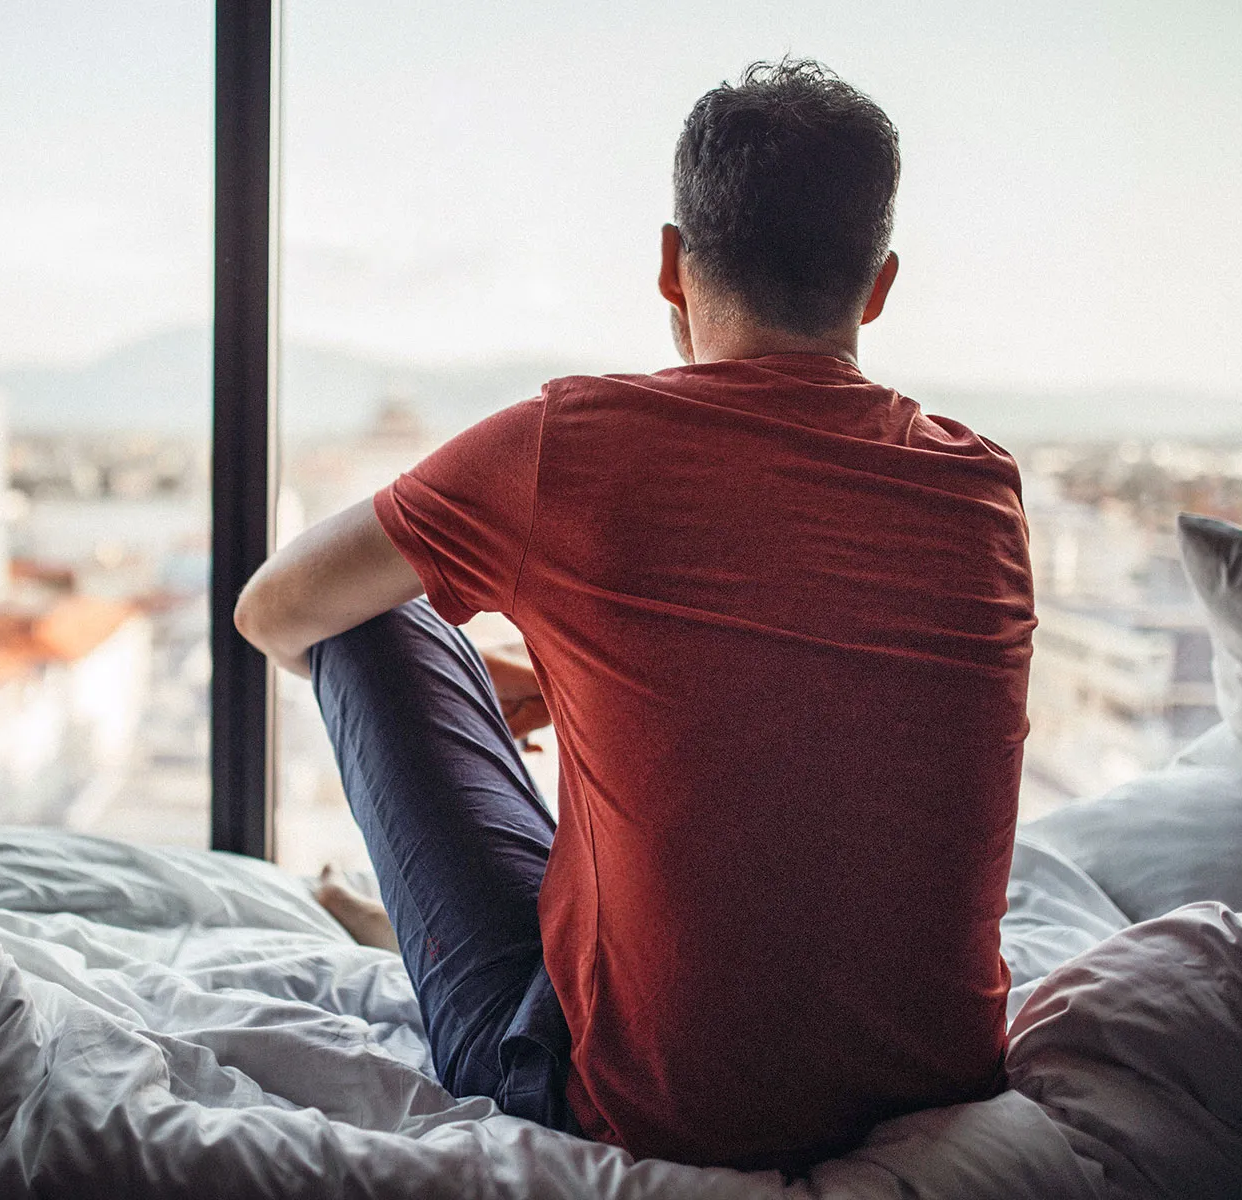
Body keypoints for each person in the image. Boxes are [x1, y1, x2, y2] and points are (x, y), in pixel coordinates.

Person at [235, 58, 1035, 1173]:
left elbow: (273, 611)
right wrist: (573, 677)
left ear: (670, 264)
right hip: (934, 1079)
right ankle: (450, 936)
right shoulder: (981, 491)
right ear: (880, 282)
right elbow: (804, 698)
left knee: (370, 619)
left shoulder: (576, 442)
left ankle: (442, 951)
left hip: (629, 1106)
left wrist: (491, 674)